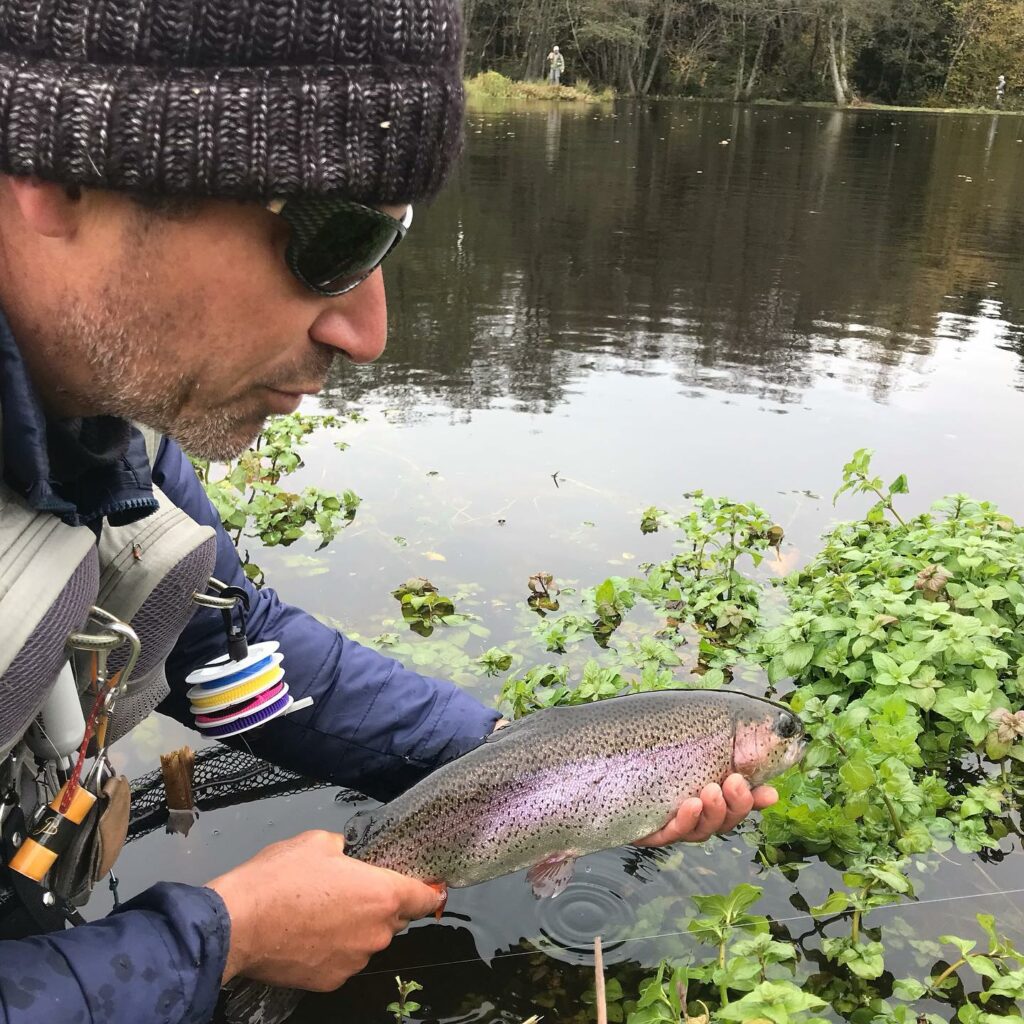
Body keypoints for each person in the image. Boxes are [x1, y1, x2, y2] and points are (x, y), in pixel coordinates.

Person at [0, 0, 777, 1020]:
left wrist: (530, 766)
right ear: (60, 179)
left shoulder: (105, 427)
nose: (369, 329)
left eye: (389, 242)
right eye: (331, 238)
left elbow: (231, 647)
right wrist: (214, 941)